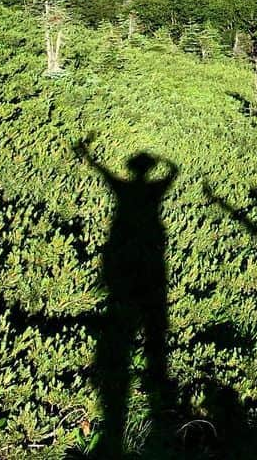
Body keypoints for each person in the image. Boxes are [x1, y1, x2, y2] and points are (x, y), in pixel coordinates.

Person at [74, 136, 179, 457]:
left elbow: (100, 170)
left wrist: (87, 153)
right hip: (151, 256)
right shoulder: (152, 190)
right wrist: (168, 161)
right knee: (152, 320)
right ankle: (156, 382)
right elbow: (174, 173)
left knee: (124, 305)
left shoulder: (123, 187)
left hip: (122, 256)